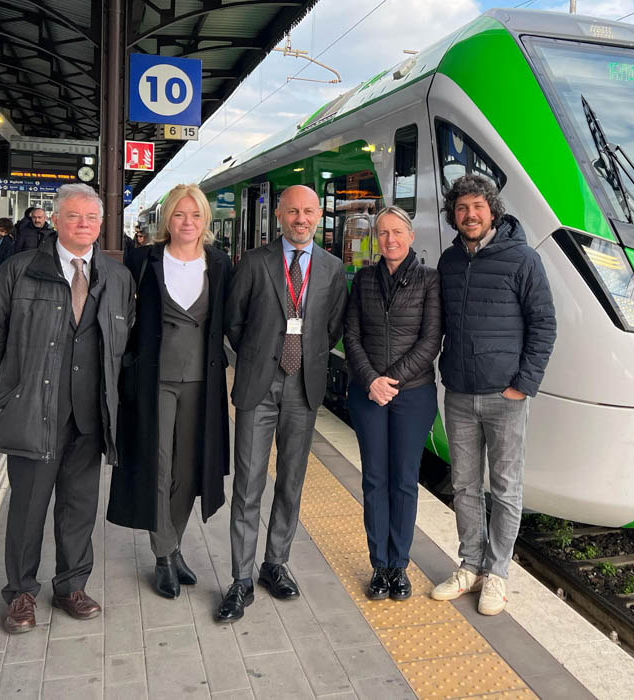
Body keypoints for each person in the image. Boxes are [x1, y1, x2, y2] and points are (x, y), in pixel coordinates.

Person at [0, 184, 134, 634]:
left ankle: (71, 585)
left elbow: (122, 345)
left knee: (79, 506)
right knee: (28, 507)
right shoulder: (20, 271)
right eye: (73, 216)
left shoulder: (116, 278)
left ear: (101, 226)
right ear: (56, 220)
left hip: (90, 416)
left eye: (91, 218)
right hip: (33, 412)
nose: (83, 224)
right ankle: (21, 592)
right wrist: (18, 385)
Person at [216, 185, 347, 622]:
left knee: (291, 482)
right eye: (293, 211)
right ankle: (240, 579)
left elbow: (332, 328)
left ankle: (275, 563)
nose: (301, 218)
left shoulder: (331, 267)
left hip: (304, 388)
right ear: (278, 215)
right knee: (248, 484)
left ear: (318, 215)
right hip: (259, 386)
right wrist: (259, 358)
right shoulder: (254, 262)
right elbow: (234, 321)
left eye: (309, 211)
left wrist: (303, 357)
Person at [429, 174, 556, 616]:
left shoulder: (522, 259)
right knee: (464, 485)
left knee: (504, 488)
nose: (470, 215)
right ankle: (470, 566)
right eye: (462, 208)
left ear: (492, 210)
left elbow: (544, 324)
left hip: (506, 398)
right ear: (454, 215)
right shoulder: (448, 262)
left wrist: (523, 384)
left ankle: (497, 574)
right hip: (460, 393)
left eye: (477, 207)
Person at [106, 186, 232, 599]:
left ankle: (173, 545)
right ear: (167, 220)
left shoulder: (219, 263)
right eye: (179, 214)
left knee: (187, 471)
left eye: (195, 215)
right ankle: (163, 555)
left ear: (205, 220)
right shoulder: (144, 259)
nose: (187, 222)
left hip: (202, 380)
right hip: (153, 380)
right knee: (157, 468)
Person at [343, 206, 442, 601]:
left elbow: (431, 339)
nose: (390, 240)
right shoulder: (364, 279)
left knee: (403, 481)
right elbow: (351, 335)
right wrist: (370, 380)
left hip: (412, 395)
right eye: (383, 233)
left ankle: (399, 565)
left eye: (397, 232)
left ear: (411, 236)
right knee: (373, 480)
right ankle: (378, 566)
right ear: (375, 239)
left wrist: (391, 381)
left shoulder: (429, 280)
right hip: (368, 394)